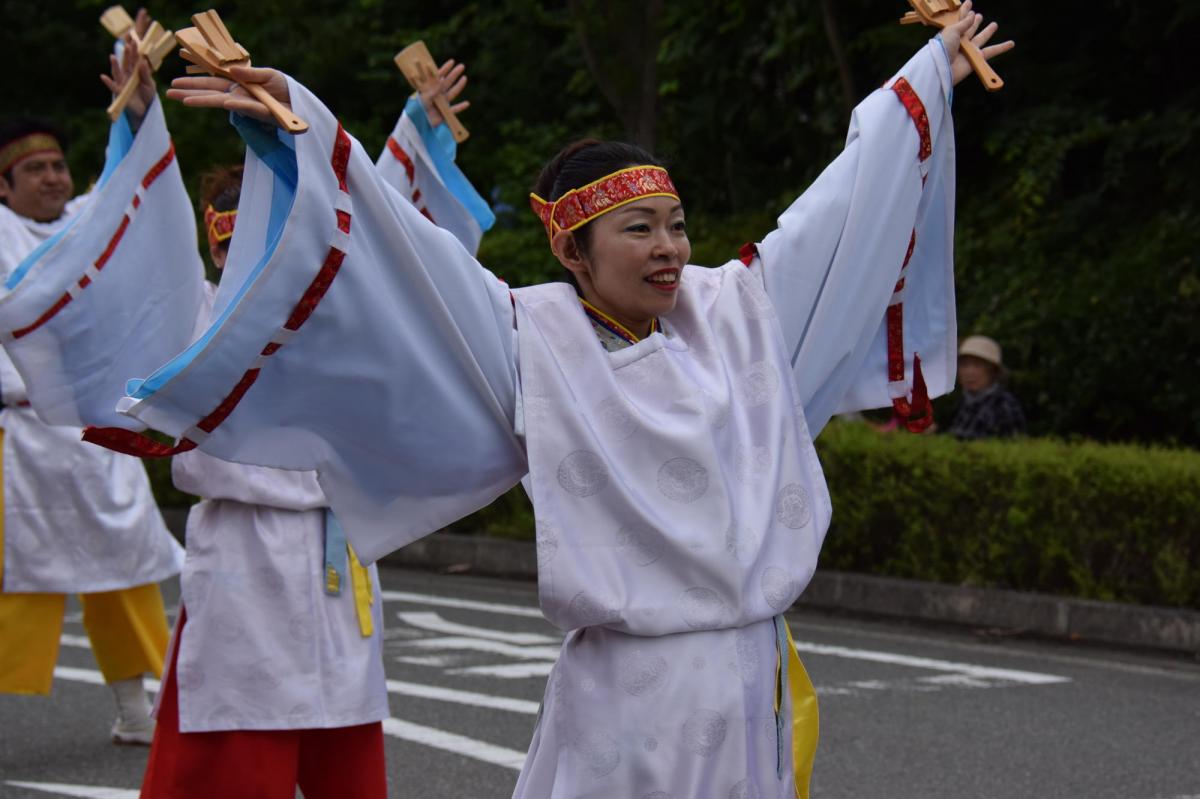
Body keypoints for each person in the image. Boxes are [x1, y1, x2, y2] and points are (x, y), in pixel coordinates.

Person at [114, 4, 1012, 796]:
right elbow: (407, 262)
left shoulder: (740, 314)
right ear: (572, 254)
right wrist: (305, 135)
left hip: (753, 676)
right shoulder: (528, 341)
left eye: (676, 224)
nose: (668, 248)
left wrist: (928, 74)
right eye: (636, 230)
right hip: (631, 697)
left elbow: (839, 211)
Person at [1, 46, 489, 797]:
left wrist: (415, 131)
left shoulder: (332, 309)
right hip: (243, 555)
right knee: (236, 749)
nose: (247, 261)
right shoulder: (193, 312)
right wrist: (138, 124)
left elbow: (385, 230)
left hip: (338, 556)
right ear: (212, 242)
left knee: (344, 737)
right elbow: (137, 254)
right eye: (228, 246)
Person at [0, 29, 182, 746]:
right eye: (33, 170)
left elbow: (137, 190)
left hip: (98, 432)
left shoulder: (91, 225)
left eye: (57, 165)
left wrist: (139, 109)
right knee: (14, 582)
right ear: (4, 185)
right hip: (17, 443)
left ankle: (137, 708)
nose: (51, 177)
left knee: (124, 568)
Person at [947, 333, 1025, 439]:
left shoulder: (1004, 405)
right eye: (964, 365)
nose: (970, 372)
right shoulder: (964, 402)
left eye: (977, 365)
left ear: (993, 371)